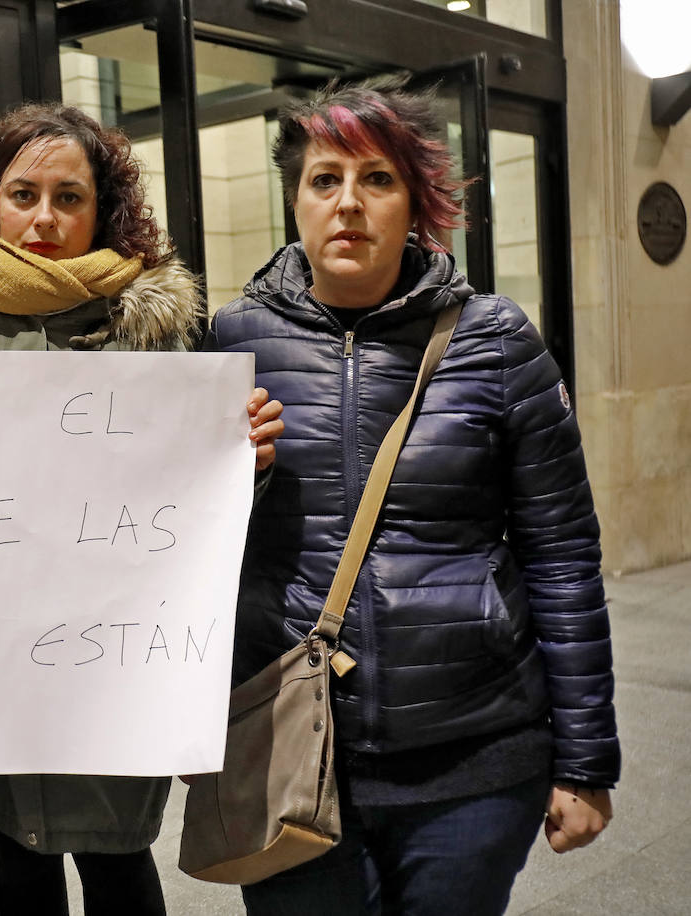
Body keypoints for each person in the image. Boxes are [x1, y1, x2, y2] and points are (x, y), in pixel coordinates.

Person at [203, 79, 620, 915]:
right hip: (289, 750)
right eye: (325, 179)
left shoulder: (497, 341)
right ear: (295, 201)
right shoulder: (230, 344)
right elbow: (181, 548)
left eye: (377, 179)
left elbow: (563, 556)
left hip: (474, 760)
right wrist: (236, 477)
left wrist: (584, 762)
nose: (349, 203)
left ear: (415, 201)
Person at [0, 102, 283, 916]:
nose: (44, 219)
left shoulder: (155, 330)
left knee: (118, 855)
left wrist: (247, 463)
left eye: (69, 198)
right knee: (15, 851)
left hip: (113, 660)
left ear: (103, 210)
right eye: (23, 194)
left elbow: (199, 509)